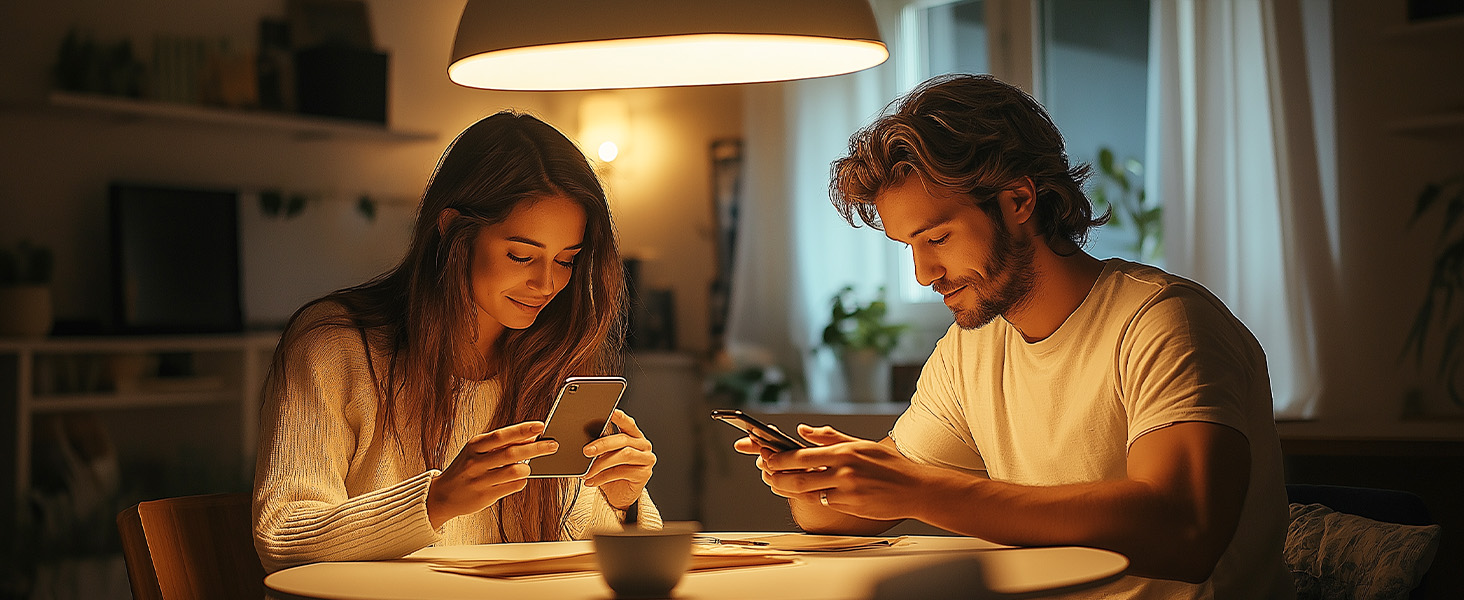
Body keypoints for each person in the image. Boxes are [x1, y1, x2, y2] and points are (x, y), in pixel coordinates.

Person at [734, 74, 1293, 599]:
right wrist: (824, 478)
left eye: (939, 238)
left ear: (1020, 201)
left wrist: (919, 490)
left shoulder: (1162, 320)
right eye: (910, 247)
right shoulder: (969, 349)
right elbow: (843, 517)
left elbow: (1185, 530)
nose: (923, 273)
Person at [253, 111, 660, 573]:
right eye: (521, 255)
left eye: (566, 260)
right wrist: (436, 501)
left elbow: (587, 560)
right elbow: (283, 534)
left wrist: (624, 504)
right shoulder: (336, 348)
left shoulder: (552, 362)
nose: (546, 284)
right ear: (450, 228)